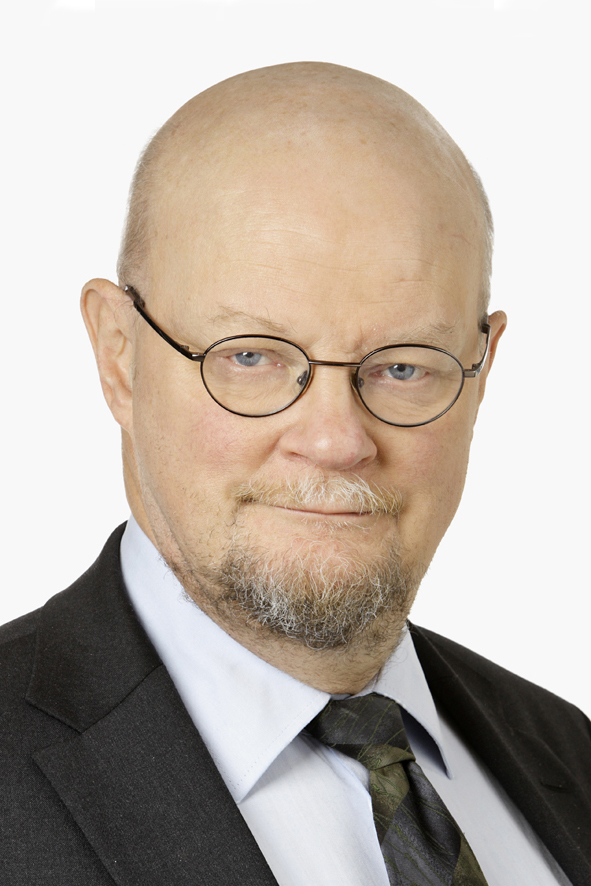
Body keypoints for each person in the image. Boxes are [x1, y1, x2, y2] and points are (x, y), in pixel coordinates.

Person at [1, 62, 589, 886]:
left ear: (480, 372)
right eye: (251, 356)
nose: (336, 441)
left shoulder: (567, 753)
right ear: (118, 356)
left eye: (403, 366)